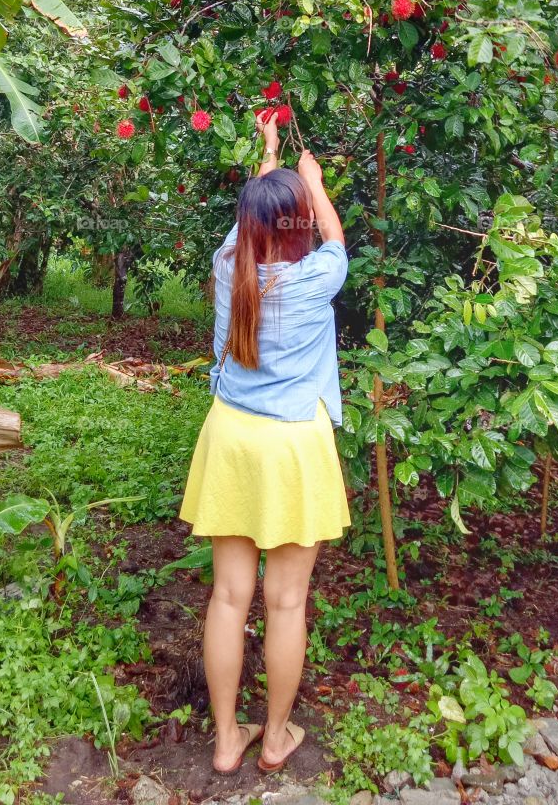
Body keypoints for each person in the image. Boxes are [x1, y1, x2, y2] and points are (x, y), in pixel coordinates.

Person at [179, 110, 351, 775]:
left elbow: (257, 226)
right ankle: (275, 736)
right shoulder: (316, 278)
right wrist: (312, 182)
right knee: (285, 602)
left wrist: (269, 153)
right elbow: (335, 238)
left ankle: (227, 739)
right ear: (298, 219)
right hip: (292, 447)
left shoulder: (229, 267)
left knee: (228, 596)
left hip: (232, 438)